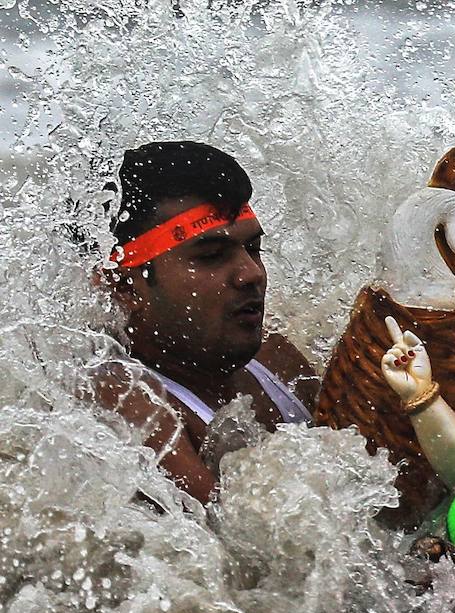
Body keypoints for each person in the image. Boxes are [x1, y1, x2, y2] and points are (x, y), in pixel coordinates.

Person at [95, 141, 318, 504]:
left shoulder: (280, 361)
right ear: (124, 287)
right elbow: (242, 544)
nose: (251, 274)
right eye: (212, 256)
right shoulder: (124, 398)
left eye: (253, 248)